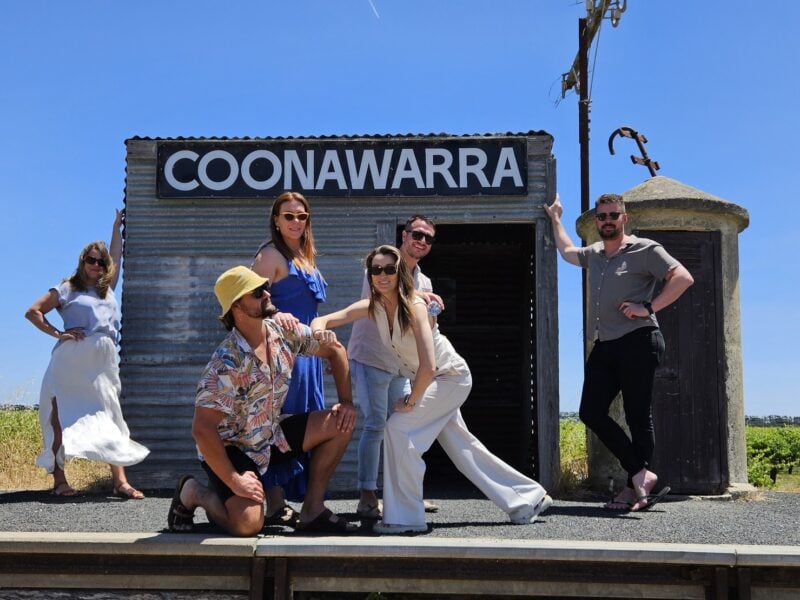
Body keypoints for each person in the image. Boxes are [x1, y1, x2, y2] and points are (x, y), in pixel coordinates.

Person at [311, 246, 551, 534]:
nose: (382, 275)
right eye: (376, 270)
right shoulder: (373, 306)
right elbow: (327, 319)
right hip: (436, 381)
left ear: (399, 272)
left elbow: (428, 366)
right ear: (370, 275)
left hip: (449, 378)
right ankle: (527, 498)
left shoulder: (414, 306)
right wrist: (319, 331)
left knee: (398, 429)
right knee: (463, 447)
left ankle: (405, 518)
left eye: (389, 269)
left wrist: (412, 401)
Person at [167, 266, 358, 536]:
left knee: (342, 422)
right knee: (247, 524)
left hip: (270, 434)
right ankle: (194, 492)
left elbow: (335, 350)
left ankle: (313, 509)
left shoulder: (283, 332)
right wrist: (234, 481)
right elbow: (202, 429)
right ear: (237, 307)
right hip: (232, 447)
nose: (267, 293)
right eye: (257, 292)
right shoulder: (225, 363)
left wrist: (346, 401)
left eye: (265, 287)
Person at [544, 192, 694, 512]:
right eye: (602, 216)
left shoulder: (644, 249)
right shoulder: (596, 253)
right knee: (590, 412)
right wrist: (556, 219)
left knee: (637, 417)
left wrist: (648, 306)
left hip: (639, 339)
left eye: (613, 215)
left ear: (624, 218)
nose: (608, 221)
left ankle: (632, 490)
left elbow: (682, 277)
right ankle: (641, 474)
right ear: (597, 221)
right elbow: (568, 252)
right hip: (606, 344)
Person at [25, 209, 149, 499]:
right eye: (90, 259)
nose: (96, 264)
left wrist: (116, 226)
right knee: (60, 418)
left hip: (103, 362)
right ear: (82, 261)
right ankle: (59, 480)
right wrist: (59, 334)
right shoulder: (68, 288)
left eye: (100, 261)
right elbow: (33, 312)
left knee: (111, 415)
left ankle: (120, 482)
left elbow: (117, 253)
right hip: (71, 361)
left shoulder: (108, 290)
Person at [346, 215, 443, 519]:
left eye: (428, 238)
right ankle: (367, 496)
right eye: (417, 234)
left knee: (404, 426)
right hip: (372, 357)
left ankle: (404, 495)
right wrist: (418, 297)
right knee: (376, 424)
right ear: (404, 235)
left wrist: (433, 311)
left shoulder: (424, 282)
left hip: (400, 365)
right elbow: (382, 299)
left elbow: (422, 327)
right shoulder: (382, 265)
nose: (422, 241)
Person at [251, 191, 328, 527]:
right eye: (289, 216)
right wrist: (277, 314)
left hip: (308, 356)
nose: (296, 222)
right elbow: (252, 302)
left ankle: (309, 504)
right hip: (281, 353)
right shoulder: (270, 255)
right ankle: (275, 504)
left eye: (302, 216)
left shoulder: (306, 257)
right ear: (276, 221)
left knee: (309, 424)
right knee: (281, 423)